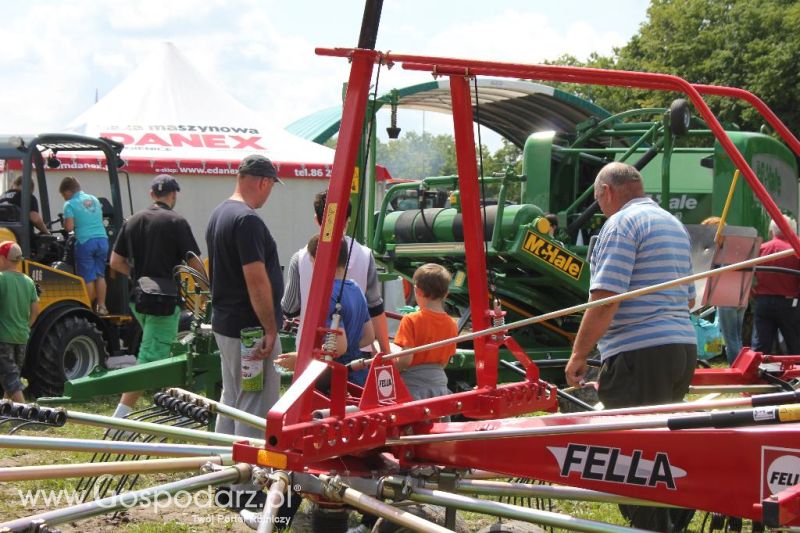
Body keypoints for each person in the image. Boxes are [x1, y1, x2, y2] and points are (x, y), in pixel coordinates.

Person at [565, 162, 697, 409]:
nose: (601, 208)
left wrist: (579, 355)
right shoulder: (674, 224)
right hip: (683, 350)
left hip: (641, 355)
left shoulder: (620, 224)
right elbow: (689, 299)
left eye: (598, 200)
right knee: (659, 439)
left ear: (607, 191)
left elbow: (606, 300)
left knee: (631, 440)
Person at [109, 175, 202, 418]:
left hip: (138, 300)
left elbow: (115, 262)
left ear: (151, 194)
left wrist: (140, 277)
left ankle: (177, 410)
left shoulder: (132, 221)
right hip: (164, 302)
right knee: (151, 358)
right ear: (173, 196)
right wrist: (209, 285)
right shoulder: (176, 221)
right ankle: (119, 418)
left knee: (162, 353)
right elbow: (193, 261)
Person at [205, 155, 285, 440]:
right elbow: (256, 280)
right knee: (254, 406)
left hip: (226, 324)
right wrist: (270, 327)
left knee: (232, 400)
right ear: (264, 182)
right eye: (271, 186)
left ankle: (222, 465)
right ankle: (247, 481)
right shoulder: (248, 220)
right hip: (250, 332)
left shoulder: (219, 214)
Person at [281, 190, 390, 355]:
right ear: (348, 220)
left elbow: (290, 308)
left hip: (311, 352)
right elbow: (375, 308)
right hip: (359, 351)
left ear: (317, 220)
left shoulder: (300, 258)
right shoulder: (365, 256)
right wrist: (385, 350)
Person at [275, 235, 374, 382]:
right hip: (358, 375)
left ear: (318, 260)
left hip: (334, 378)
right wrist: (350, 347)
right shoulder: (356, 289)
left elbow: (339, 347)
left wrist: (301, 358)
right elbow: (369, 337)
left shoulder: (328, 294)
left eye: (311, 260)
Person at [393, 263, 457, 400]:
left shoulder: (411, 320)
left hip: (414, 387)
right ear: (446, 294)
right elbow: (444, 362)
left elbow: (405, 360)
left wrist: (390, 368)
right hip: (439, 386)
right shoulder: (452, 324)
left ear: (418, 291)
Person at [58, 176, 109, 315]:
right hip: (102, 240)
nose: (64, 198)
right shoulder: (94, 199)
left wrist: (65, 223)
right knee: (100, 275)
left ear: (67, 192)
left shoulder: (70, 204)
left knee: (87, 277)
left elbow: (69, 227)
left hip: (86, 241)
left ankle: (87, 309)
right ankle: (102, 306)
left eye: (63, 195)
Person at [751, 214, 800, 355]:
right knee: (795, 345)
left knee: (760, 347)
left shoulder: (761, 249)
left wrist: (753, 292)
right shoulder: (796, 249)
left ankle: (759, 374)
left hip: (763, 302)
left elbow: (749, 277)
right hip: (790, 303)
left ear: (771, 231)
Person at [701, 216, 746, 364]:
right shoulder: (737, 247)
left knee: (730, 338)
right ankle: (741, 366)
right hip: (741, 297)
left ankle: (736, 369)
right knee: (737, 337)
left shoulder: (719, 252)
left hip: (726, 298)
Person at [0, 241, 39, 402]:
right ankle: (5, 410)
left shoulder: (1, 279)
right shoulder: (28, 281)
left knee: (10, 379)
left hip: (4, 338)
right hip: (22, 337)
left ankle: (24, 414)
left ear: (2, 258)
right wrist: (25, 327)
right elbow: (35, 311)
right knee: (12, 376)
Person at [0, 175, 51, 243]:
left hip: (3, 237)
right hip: (22, 239)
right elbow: (35, 218)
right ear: (31, 188)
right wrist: (46, 231)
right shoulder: (27, 196)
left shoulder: (2, 197)